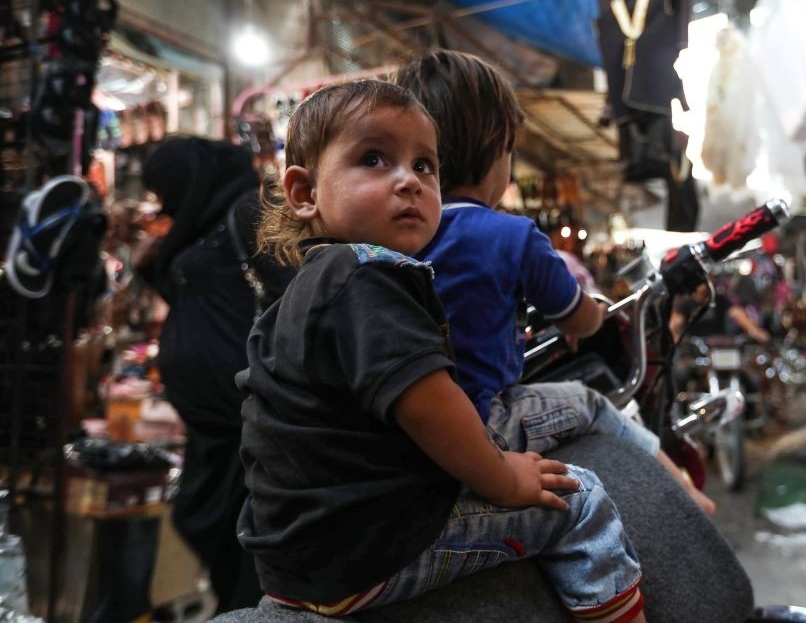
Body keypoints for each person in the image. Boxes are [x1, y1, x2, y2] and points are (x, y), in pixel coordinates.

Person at [237, 79, 649, 621]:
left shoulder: (305, 289)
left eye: (425, 166)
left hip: (297, 553)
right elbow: (428, 402)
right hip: (365, 552)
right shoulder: (367, 279)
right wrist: (504, 477)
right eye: (374, 158)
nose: (408, 180)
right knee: (580, 496)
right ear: (304, 192)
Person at [395, 49, 715, 515]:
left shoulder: (393, 236)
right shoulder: (512, 236)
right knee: (593, 403)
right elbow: (581, 320)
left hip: (401, 427)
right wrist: (594, 313)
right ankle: (688, 498)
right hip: (486, 422)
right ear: (495, 150)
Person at [140, 137, 293, 613]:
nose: (164, 201)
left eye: (167, 188)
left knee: (246, 552)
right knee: (221, 543)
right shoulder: (204, 221)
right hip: (217, 429)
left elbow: (297, 291)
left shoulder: (248, 210)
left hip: (245, 419)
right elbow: (200, 296)